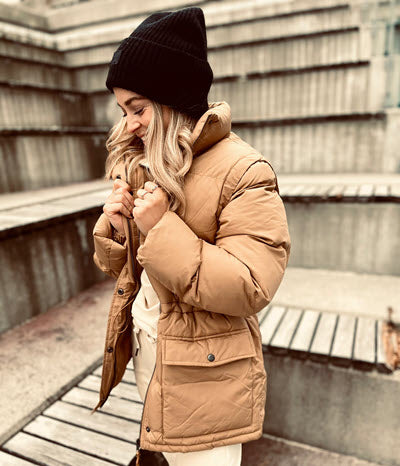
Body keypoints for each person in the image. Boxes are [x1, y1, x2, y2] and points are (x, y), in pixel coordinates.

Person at [91, 6, 291, 466]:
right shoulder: (144, 160)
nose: (129, 124)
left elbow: (251, 285)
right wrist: (118, 232)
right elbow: (122, 269)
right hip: (149, 348)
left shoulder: (246, 171)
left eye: (138, 108)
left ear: (173, 98)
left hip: (207, 375)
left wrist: (161, 228)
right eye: (123, 111)